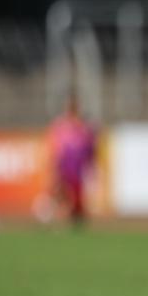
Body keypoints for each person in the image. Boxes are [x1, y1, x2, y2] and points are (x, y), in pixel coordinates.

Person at [46, 94, 96, 225]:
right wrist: (54, 167)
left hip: (77, 170)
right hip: (64, 168)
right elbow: (56, 148)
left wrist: (91, 164)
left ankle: (74, 219)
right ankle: (53, 218)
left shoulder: (85, 127)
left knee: (77, 204)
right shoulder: (61, 126)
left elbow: (90, 148)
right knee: (61, 197)